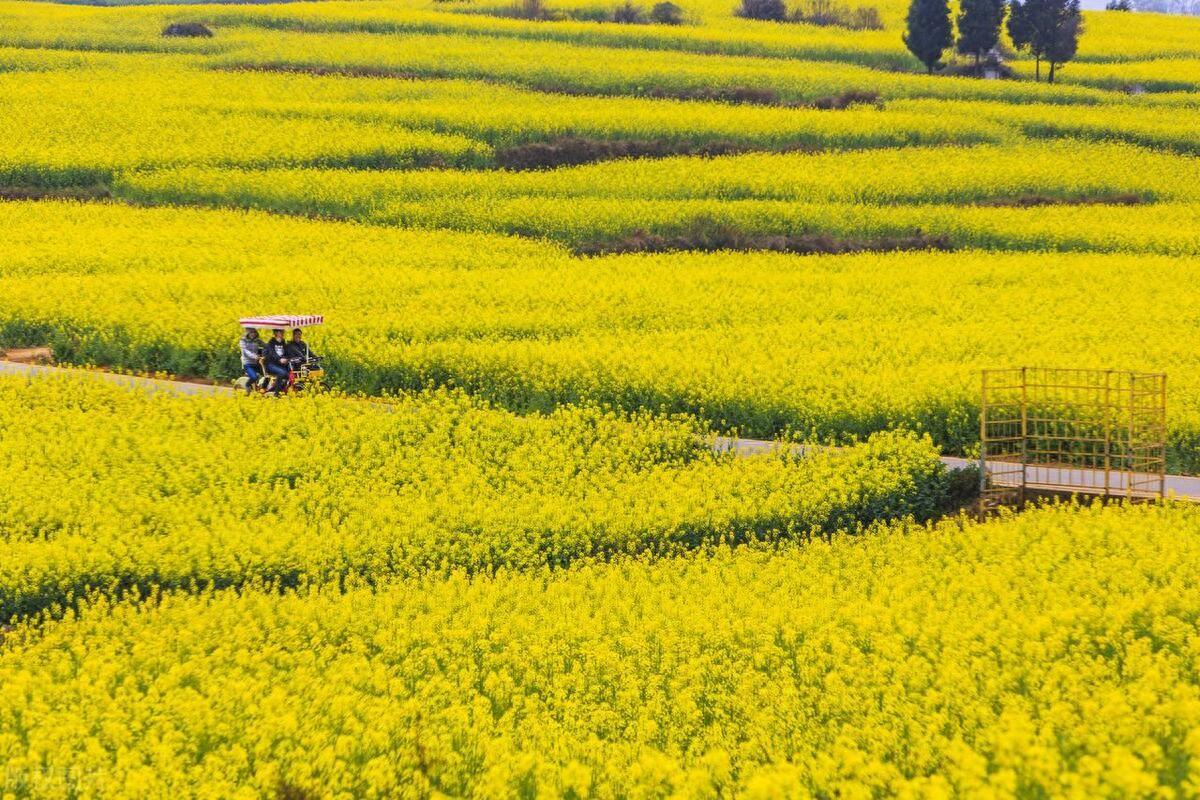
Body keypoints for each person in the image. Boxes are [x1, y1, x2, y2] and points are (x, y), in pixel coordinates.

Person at [262, 329, 291, 394]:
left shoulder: (283, 343)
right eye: (280, 331)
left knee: (289, 375)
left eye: (283, 331)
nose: (282, 333)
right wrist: (279, 359)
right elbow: (272, 353)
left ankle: (273, 390)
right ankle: (276, 393)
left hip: (280, 365)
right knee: (282, 373)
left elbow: (287, 354)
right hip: (271, 365)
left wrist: (286, 358)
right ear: (276, 333)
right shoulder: (271, 343)